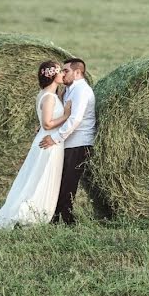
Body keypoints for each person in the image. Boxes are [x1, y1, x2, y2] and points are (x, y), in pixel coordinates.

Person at [0, 62, 72, 229]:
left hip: (47, 141)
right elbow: (47, 124)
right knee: (42, 177)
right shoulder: (49, 97)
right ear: (52, 76)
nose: (63, 75)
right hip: (48, 143)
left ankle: (37, 210)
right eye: (59, 72)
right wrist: (66, 115)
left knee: (36, 176)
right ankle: (32, 213)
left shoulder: (47, 94)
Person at [39, 58, 95, 225]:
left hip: (79, 142)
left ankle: (67, 219)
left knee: (69, 182)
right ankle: (55, 217)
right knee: (62, 181)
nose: (62, 74)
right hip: (68, 142)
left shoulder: (82, 91)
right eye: (61, 71)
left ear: (77, 72)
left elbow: (75, 119)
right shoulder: (70, 89)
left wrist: (55, 138)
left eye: (66, 71)